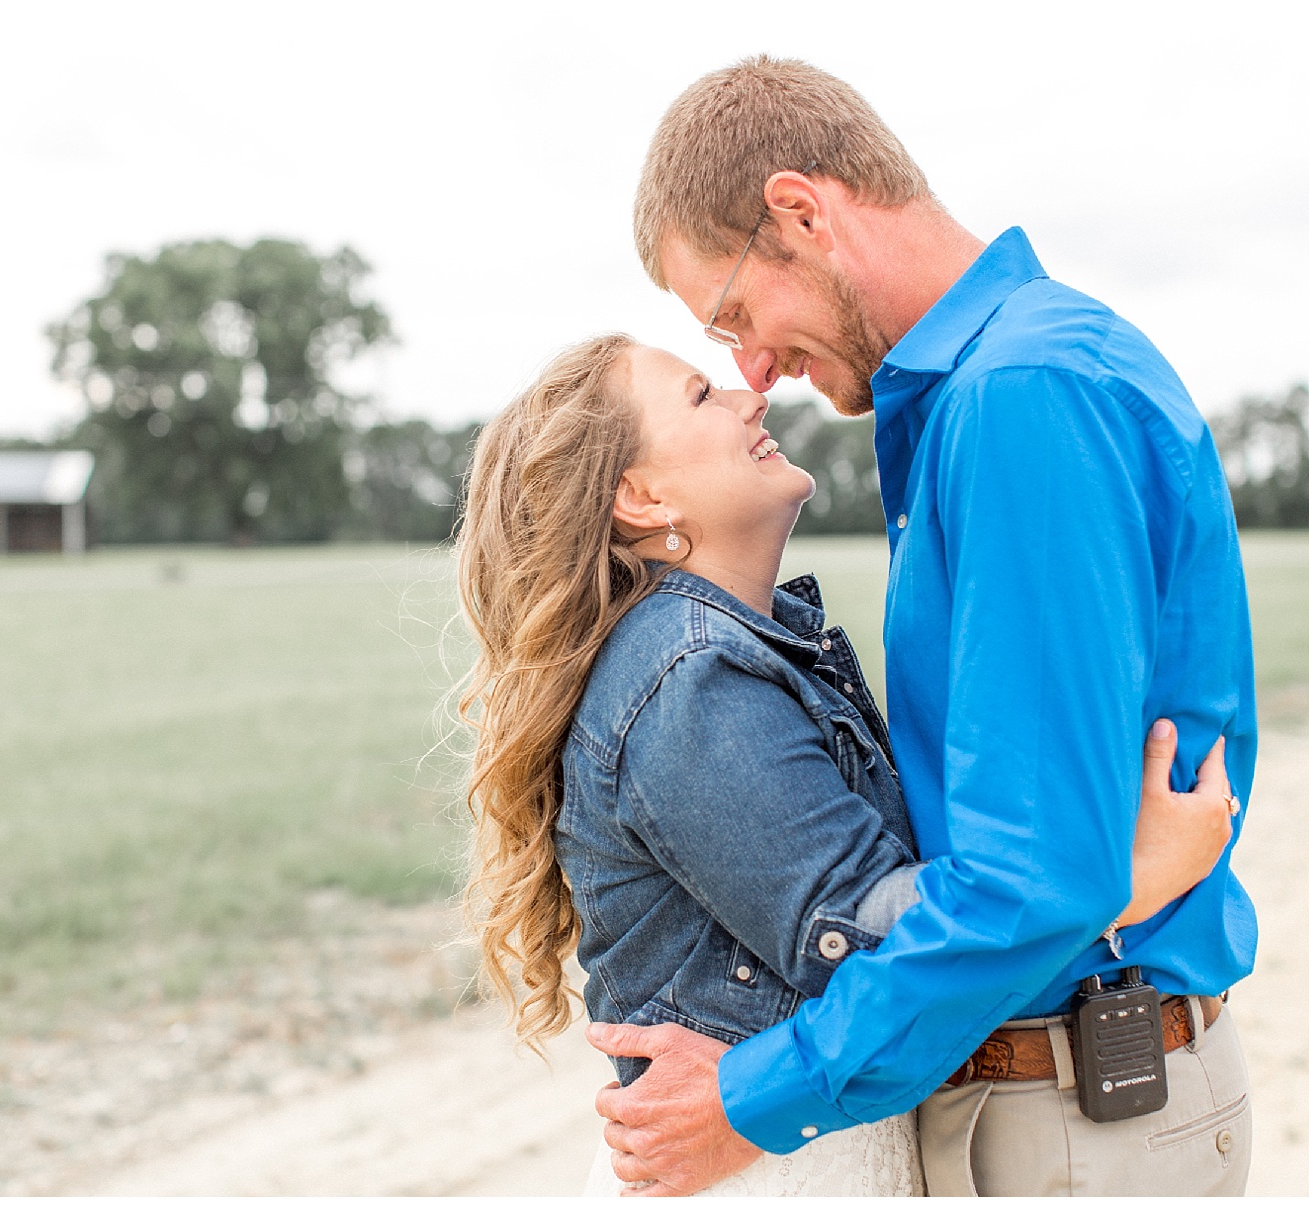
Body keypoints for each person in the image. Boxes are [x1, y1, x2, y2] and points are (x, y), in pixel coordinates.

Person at [586, 57, 1260, 1196]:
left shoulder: (1015, 397)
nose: (752, 368)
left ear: (800, 212)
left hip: (1073, 1120)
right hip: (1037, 1093)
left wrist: (758, 1096)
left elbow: (1032, 878)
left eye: (737, 314)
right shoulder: (985, 390)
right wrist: (1126, 876)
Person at [455, 334, 1237, 1196]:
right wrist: (1130, 875)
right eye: (700, 396)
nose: (748, 395)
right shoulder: (690, 680)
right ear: (641, 497)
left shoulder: (745, 650)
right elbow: (875, 943)